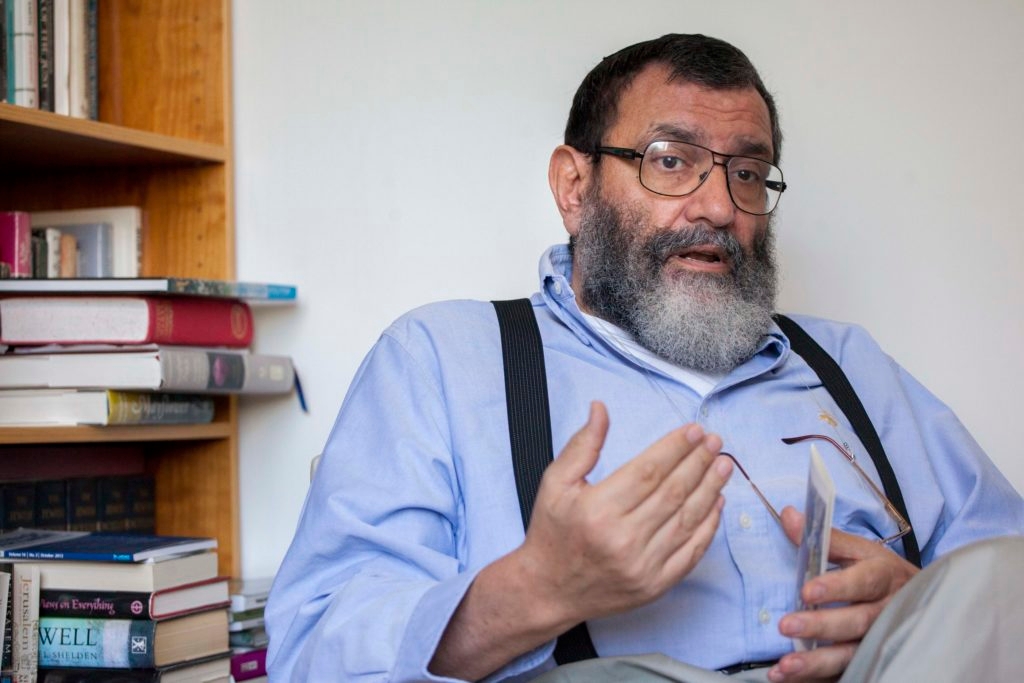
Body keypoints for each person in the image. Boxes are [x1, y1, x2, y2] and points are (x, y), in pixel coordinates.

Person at [265, 34, 1024, 682]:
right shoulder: (440, 360)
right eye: (670, 161)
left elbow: (1007, 583)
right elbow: (310, 652)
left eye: (748, 173)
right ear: (574, 185)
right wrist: (537, 589)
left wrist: (921, 608)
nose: (719, 206)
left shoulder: (851, 366)